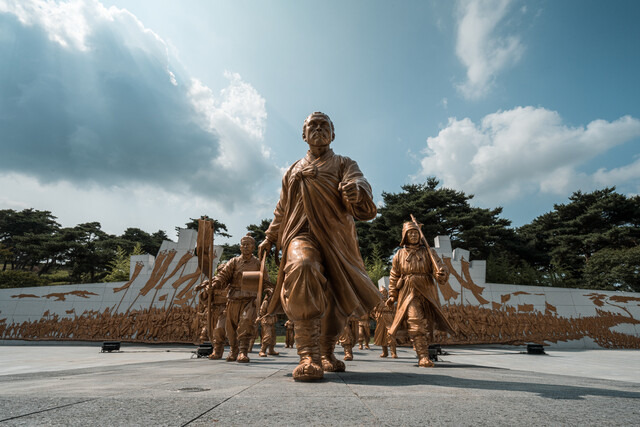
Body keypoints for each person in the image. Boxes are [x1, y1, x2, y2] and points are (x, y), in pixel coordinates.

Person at [258, 112, 382, 381]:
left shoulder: (344, 163)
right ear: (303, 135)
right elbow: (282, 208)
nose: (318, 129)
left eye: (324, 126)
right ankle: (308, 355)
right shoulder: (292, 170)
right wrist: (270, 236)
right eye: (311, 126)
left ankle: (326, 350)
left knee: (337, 297)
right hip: (300, 234)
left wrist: (356, 190)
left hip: (337, 237)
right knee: (302, 267)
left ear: (333, 134)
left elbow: (360, 183)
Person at [386, 221, 455, 367]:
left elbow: (440, 270)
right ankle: (423, 356)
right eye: (410, 233)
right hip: (408, 290)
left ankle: (421, 348)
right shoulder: (399, 254)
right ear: (405, 236)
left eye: (415, 233)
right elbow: (394, 275)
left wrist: (442, 273)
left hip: (427, 290)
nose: (413, 235)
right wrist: (392, 294)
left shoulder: (429, 252)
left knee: (427, 324)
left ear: (420, 235)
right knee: (415, 320)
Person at [199, 234, 271, 363]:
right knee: (230, 327)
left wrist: (269, 290)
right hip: (234, 298)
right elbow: (223, 276)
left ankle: (243, 351)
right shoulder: (233, 262)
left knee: (246, 322)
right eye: (243, 244)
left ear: (253, 247)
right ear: (240, 246)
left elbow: (265, 282)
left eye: (248, 244)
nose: (245, 246)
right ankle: (233, 350)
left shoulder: (258, 264)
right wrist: (214, 285)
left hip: (250, 299)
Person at [373, 287, 397, 358]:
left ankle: (393, 353)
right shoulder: (377, 302)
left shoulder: (390, 301)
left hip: (389, 320)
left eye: (384, 292)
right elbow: (372, 311)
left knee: (390, 335)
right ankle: (385, 352)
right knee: (382, 336)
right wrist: (376, 317)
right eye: (381, 292)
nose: (383, 294)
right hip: (380, 321)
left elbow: (394, 310)